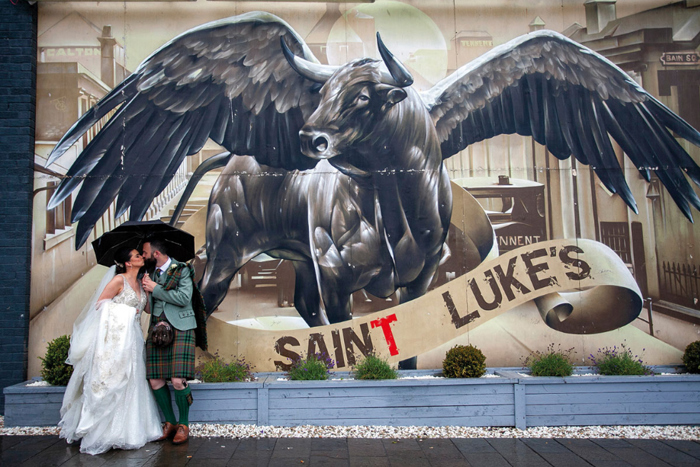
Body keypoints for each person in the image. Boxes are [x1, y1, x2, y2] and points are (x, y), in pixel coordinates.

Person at [59, 247, 162, 455]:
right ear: (127, 263)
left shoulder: (141, 283)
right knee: (114, 380)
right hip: (115, 342)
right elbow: (100, 305)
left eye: (140, 254)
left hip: (133, 339)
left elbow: (148, 309)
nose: (141, 256)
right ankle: (105, 431)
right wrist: (124, 311)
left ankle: (130, 431)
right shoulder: (118, 281)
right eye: (136, 255)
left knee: (133, 380)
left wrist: (150, 289)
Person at [142, 238, 197, 445]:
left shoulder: (182, 269)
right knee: (155, 380)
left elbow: (184, 298)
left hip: (181, 327)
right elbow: (149, 308)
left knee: (177, 380)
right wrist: (147, 292)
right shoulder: (150, 275)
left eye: (145, 252)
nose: (143, 255)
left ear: (156, 253)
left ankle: (183, 424)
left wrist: (155, 288)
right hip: (157, 328)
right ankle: (170, 423)